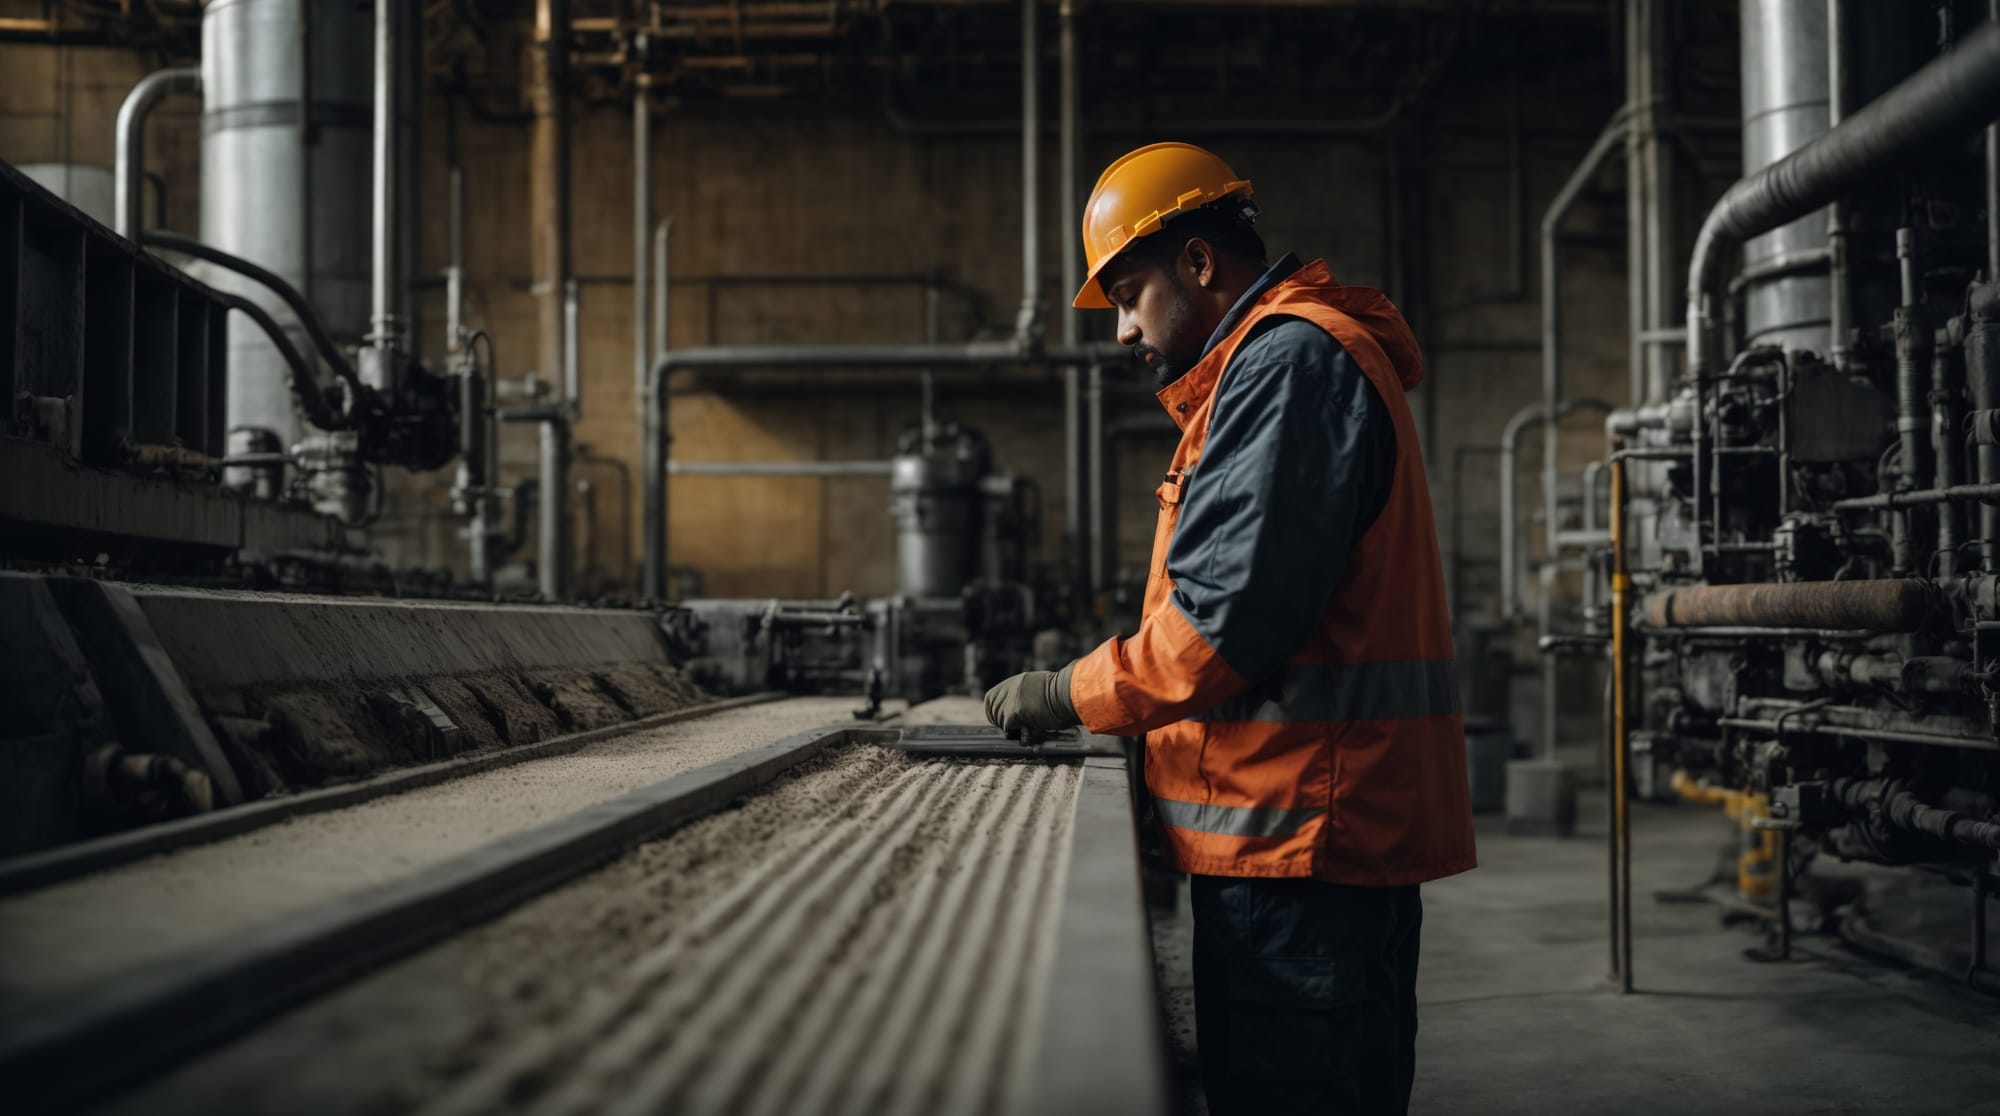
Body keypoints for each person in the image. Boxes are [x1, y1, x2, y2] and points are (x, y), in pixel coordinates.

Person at [983, 142, 1476, 1116]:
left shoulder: (1285, 366)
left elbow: (1219, 630)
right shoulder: (1287, 362)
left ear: (1200, 264)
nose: (1120, 330)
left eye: (1127, 294)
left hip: (1292, 840)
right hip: (1325, 830)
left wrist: (1063, 692)